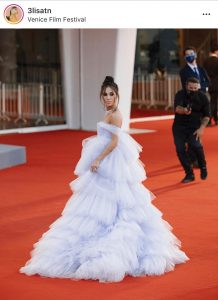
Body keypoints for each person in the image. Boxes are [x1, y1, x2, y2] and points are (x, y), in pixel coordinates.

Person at [20, 76, 189, 282]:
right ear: (102, 96)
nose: (108, 97)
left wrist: (99, 158)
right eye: (105, 94)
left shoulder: (116, 115)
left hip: (110, 162)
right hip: (104, 161)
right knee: (95, 202)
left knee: (116, 201)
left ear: (117, 96)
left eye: (112, 94)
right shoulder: (108, 112)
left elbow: (115, 141)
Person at [172, 77, 210, 183]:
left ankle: (203, 167)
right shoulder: (180, 94)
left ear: (198, 87)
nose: (192, 90)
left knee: (196, 146)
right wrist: (184, 110)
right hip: (179, 127)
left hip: (194, 127)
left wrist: (201, 129)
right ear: (186, 86)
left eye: (195, 88)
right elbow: (177, 108)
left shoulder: (203, 97)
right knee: (180, 150)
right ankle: (189, 174)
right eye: (190, 87)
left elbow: (207, 116)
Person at [204, 44, 218, 125]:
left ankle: (216, 119)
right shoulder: (217, 60)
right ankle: (208, 120)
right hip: (216, 84)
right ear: (216, 51)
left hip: (208, 84)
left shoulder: (206, 60)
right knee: (213, 102)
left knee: (213, 101)